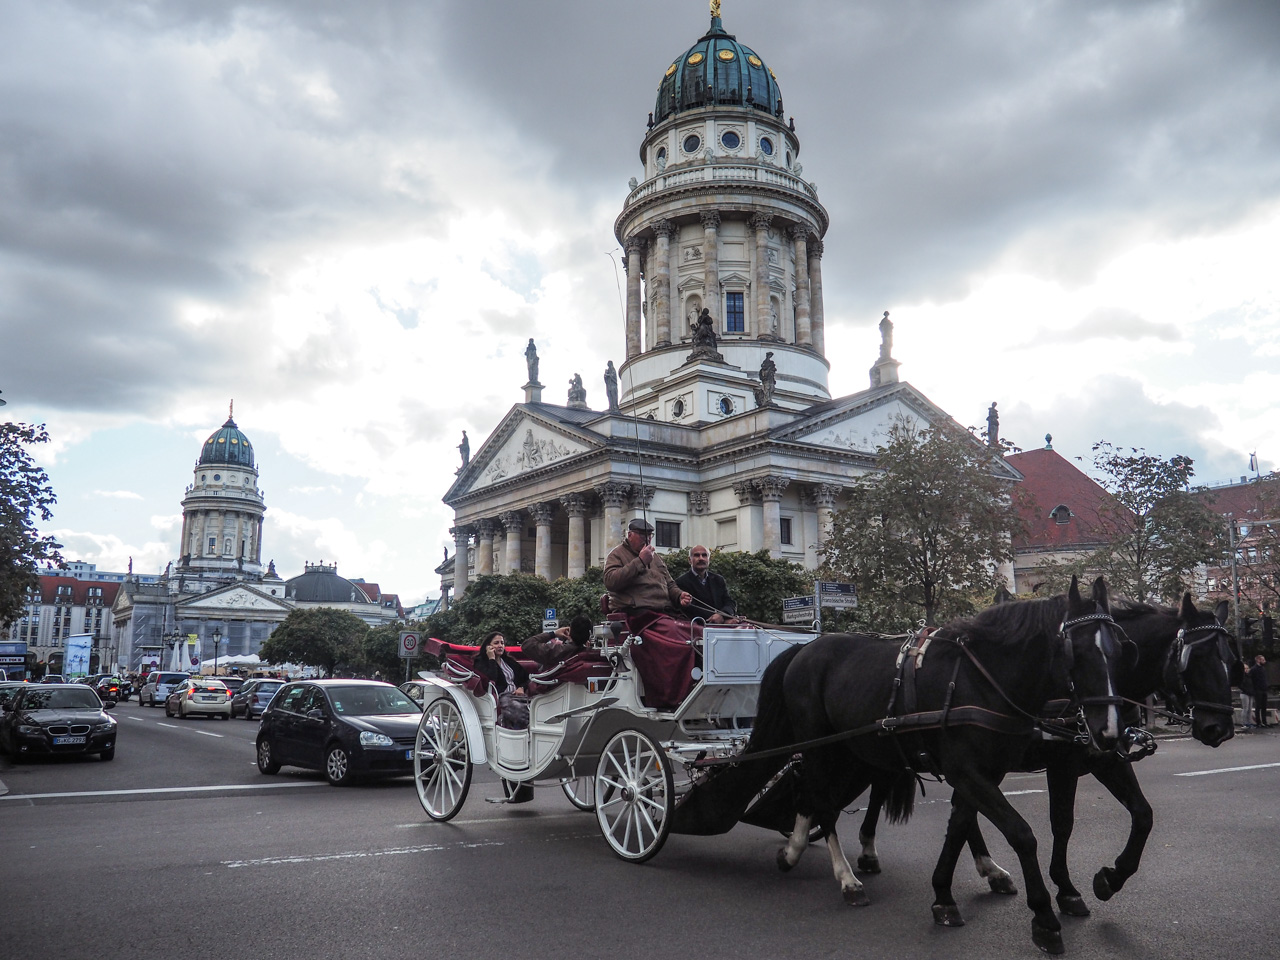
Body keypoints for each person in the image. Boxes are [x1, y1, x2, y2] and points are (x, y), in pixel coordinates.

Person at [604, 519, 692, 615]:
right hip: (636, 611)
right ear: (630, 535)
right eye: (642, 535)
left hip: (663, 610)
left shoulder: (656, 557)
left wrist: (679, 595)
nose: (647, 539)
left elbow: (670, 584)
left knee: (693, 627)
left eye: (650, 535)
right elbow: (610, 581)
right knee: (673, 629)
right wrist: (640, 561)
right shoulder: (617, 555)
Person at [472, 631, 530, 729]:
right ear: (488, 646)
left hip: (517, 696)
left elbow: (526, 677)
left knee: (534, 705)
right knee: (519, 709)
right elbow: (492, 678)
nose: (500, 646)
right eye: (496, 643)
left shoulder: (509, 661)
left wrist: (521, 687)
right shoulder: (481, 662)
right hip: (501, 696)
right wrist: (491, 659)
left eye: (502, 643)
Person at [675, 545, 738, 623]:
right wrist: (722, 620)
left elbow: (729, 602)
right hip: (697, 629)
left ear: (709, 559)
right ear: (689, 560)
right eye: (697, 555)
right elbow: (691, 609)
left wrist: (722, 615)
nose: (701, 558)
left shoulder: (718, 580)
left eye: (704, 555)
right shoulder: (681, 582)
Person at [522, 615, 593, 667]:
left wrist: (553, 634)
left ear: (570, 631)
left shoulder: (556, 651)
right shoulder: (592, 654)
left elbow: (527, 645)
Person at [1249, 654, 1269, 728]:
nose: (1264, 661)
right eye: (1263, 660)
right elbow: (1250, 679)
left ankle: (1264, 722)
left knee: (1264, 707)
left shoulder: (1263, 668)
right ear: (1258, 660)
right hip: (1257, 690)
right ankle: (1258, 722)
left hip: (1264, 689)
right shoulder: (1253, 669)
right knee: (1258, 706)